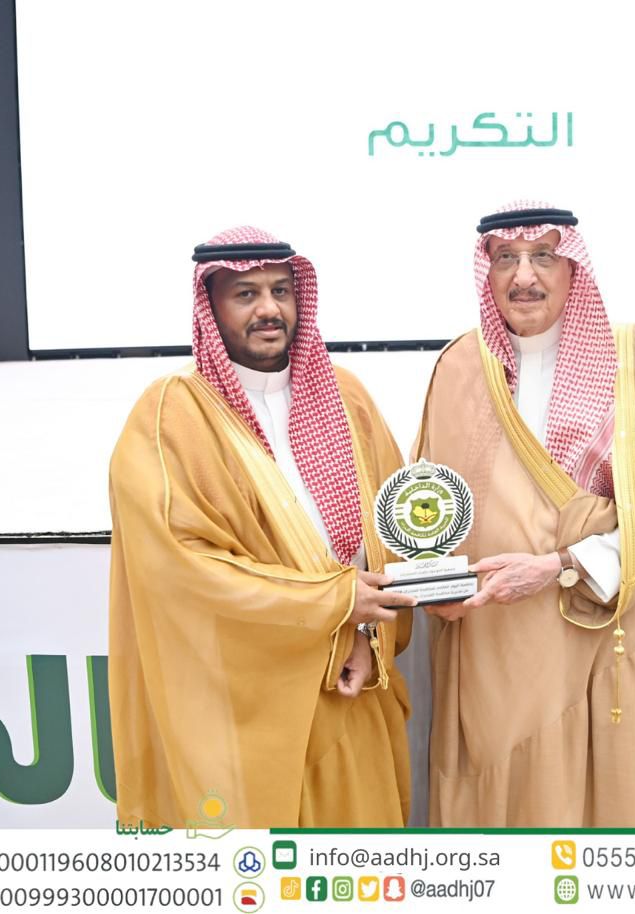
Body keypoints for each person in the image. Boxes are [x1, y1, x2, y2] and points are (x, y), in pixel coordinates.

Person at [108, 226, 416, 828]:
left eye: (280, 290)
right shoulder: (171, 414)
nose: (269, 309)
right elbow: (181, 566)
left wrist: (365, 634)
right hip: (244, 700)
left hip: (349, 680)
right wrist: (332, 602)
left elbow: (387, 532)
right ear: (211, 307)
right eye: (245, 294)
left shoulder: (347, 396)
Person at [414, 202, 635, 826]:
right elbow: (425, 509)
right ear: (487, 272)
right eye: (506, 259)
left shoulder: (633, 359)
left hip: (593, 628)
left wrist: (557, 566)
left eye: (542, 255)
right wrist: (436, 587)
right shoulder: (459, 366)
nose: (524, 276)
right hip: (488, 642)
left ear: (572, 266)